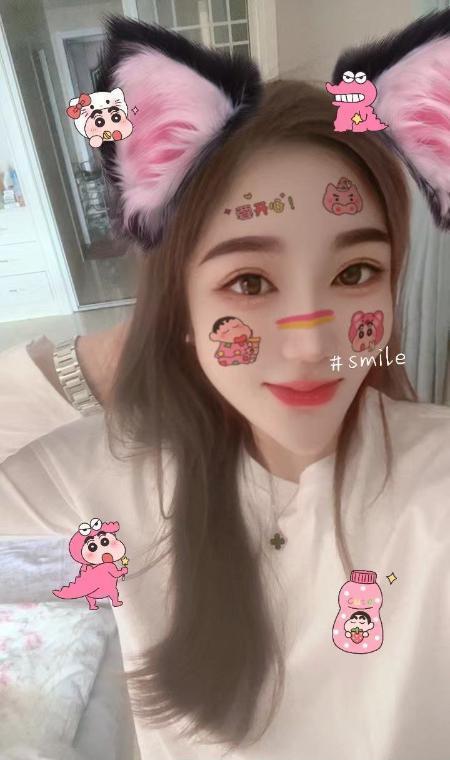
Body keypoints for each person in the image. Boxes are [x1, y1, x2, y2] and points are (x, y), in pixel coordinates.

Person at [1, 10, 450, 760]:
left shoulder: (436, 478)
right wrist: (132, 350)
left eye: (354, 273)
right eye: (249, 281)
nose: (311, 346)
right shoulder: (103, 479)